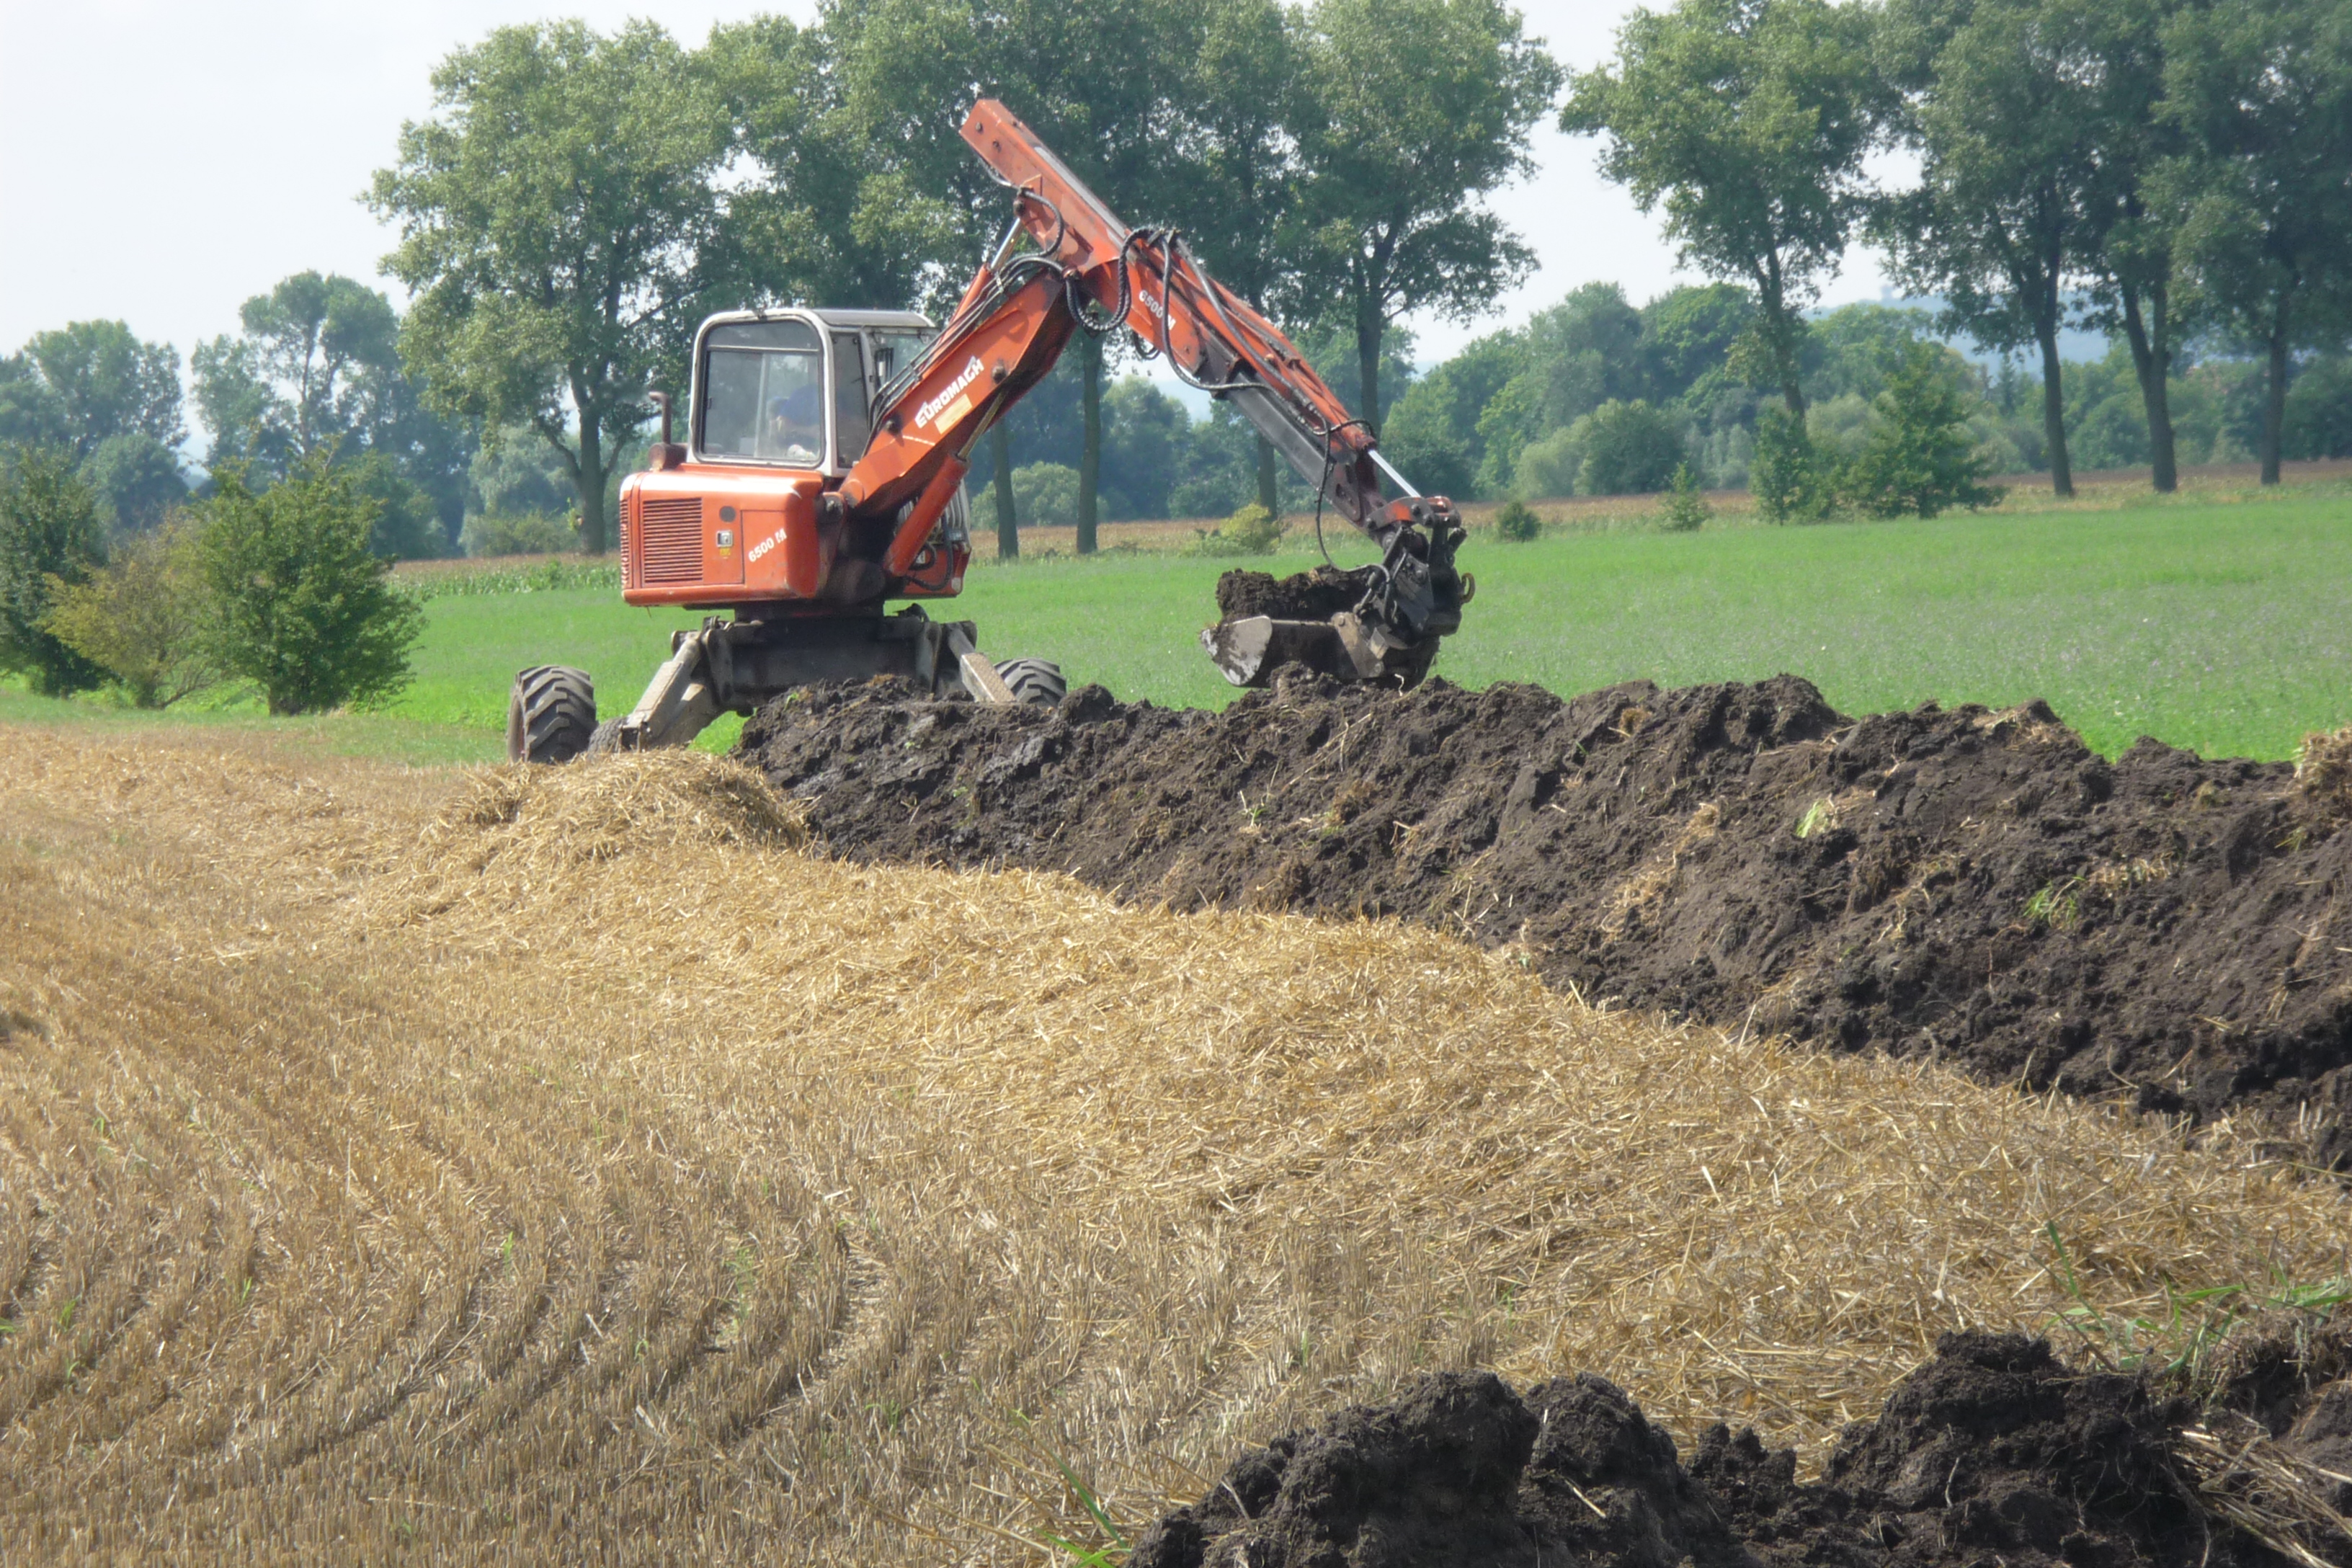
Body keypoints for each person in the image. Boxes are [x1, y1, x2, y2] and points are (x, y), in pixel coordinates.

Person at [765, 386, 823, 466]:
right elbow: (782, 425)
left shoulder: (841, 398)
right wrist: (809, 431)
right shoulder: (803, 395)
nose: (772, 422)